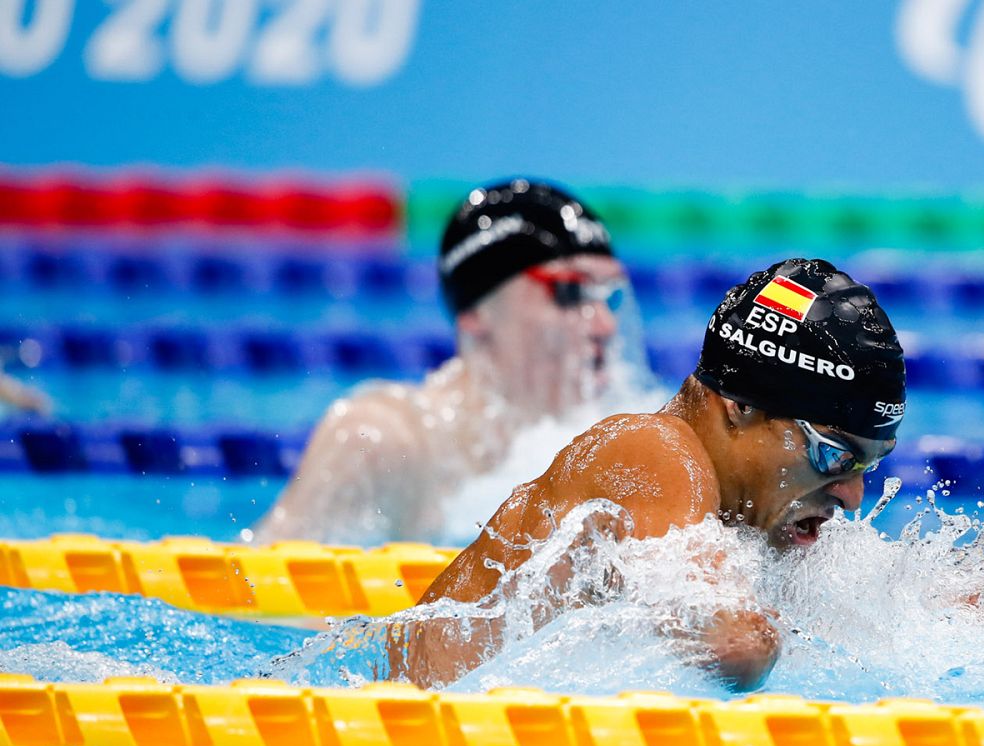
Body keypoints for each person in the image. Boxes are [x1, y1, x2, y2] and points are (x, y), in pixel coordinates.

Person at [388, 258, 907, 691]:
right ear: (739, 405)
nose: (853, 496)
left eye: (870, 465)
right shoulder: (650, 450)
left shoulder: (737, 524)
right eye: (835, 456)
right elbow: (737, 647)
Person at [253, 179, 641, 546]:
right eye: (570, 290)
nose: (604, 324)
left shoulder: (630, 437)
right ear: (476, 310)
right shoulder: (387, 441)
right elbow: (267, 589)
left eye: (609, 296)